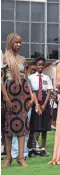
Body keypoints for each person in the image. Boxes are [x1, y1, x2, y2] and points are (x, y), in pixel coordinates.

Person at [1, 33, 35, 167]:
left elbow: (26, 78)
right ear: (10, 43)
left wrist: (32, 95)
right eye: (16, 42)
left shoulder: (22, 59)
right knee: (9, 126)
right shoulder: (4, 58)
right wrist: (6, 97)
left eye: (20, 42)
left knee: (23, 125)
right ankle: (8, 157)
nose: (19, 45)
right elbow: (1, 80)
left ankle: (21, 157)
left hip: (23, 94)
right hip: (10, 92)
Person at [28, 56, 53, 157]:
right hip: (35, 102)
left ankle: (43, 148)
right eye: (39, 65)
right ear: (35, 66)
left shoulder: (47, 78)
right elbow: (32, 92)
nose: (41, 67)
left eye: (42, 65)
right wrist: (37, 105)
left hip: (44, 103)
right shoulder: (31, 78)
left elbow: (49, 92)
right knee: (33, 126)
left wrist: (44, 105)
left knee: (44, 127)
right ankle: (31, 148)